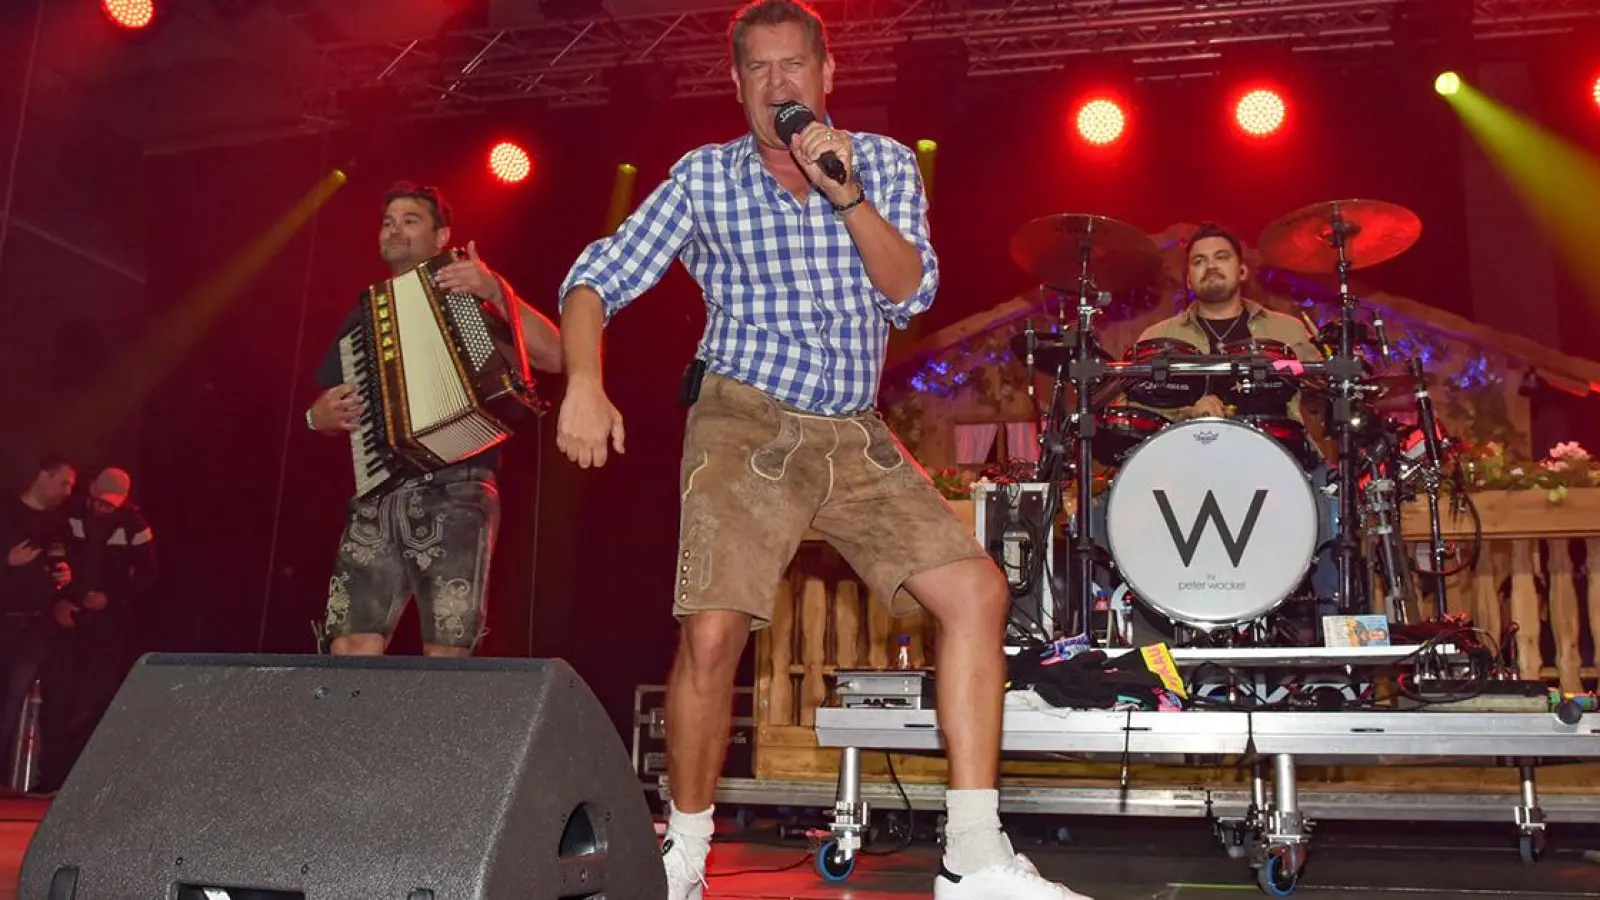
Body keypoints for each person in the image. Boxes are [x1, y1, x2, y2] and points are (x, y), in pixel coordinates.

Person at [553, 2, 1093, 897]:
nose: (779, 84)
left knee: (977, 592)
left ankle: (973, 855)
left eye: (793, 64)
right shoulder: (703, 177)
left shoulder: (879, 163)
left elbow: (909, 293)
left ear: (827, 74)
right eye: (759, 69)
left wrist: (846, 194)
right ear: (737, 85)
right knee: (714, 628)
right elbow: (593, 280)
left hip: (852, 429)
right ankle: (683, 856)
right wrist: (583, 381)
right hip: (745, 417)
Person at [306, 182, 562, 658]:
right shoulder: (362, 317)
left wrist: (495, 289)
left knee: (446, 649)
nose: (394, 230)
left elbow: (556, 354)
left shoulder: (470, 297)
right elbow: (327, 408)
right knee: (349, 645)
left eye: (410, 220)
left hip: (457, 484)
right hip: (380, 486)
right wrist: (315, 417)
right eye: (388, 222)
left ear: (442, 237)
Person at [38, 467, 157, 792]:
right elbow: (52, 557)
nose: (104, 508)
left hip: (109, 626)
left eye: (112, 503)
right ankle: (50, 776)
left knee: (92, 699)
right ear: (91, 490)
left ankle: (78, 780)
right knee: (57, 696)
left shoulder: (134, 524)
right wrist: (63, 600)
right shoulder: (69, 516)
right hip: (68, 620)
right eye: (101, 500)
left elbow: (147, 574)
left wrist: (110, 598)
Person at [0, 459, 76, 790]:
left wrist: (66, 577)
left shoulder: (58, 524)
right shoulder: (6, 511)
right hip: (4, 616)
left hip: (35, 625)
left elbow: (63, 563)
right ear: (44, 475)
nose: (67, 492)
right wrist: (6, 561)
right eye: (63, 483)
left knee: (14, 698)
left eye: (71, 486)